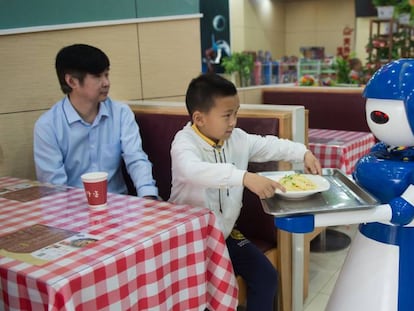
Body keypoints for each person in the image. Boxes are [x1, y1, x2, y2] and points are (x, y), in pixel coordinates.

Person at [169, 73, 322, 310]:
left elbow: (269, 145)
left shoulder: (237, 139)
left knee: (267, 277)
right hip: (189, 241)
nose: (234, 122)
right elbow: (192, 170)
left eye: (236, 113)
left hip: (225, 235)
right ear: (199, 118)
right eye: (227, 115)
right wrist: (244, 177)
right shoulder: (184, 142)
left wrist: (302, 152)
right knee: (201, 294)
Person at [33, 44, 158, 199]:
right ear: (72, 81)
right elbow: (54, 189)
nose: (106, 83)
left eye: (107, 74)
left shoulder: (121, 113)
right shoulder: (47, 126)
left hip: (119, 207)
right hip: (72, 212)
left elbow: (135, 158)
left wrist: (148, 195)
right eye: (98, 76)